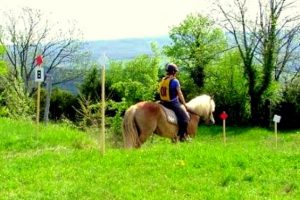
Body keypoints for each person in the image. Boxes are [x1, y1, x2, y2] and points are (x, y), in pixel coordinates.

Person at [158, 63, 190, 142]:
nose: (176, 73)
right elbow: (180, 94)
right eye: (176, 72)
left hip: (163, 102)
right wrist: (185, 104)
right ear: (173, 72)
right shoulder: (175, 81)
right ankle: (182, 136)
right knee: (185, 119)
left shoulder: (163, 80)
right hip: (172, 103)